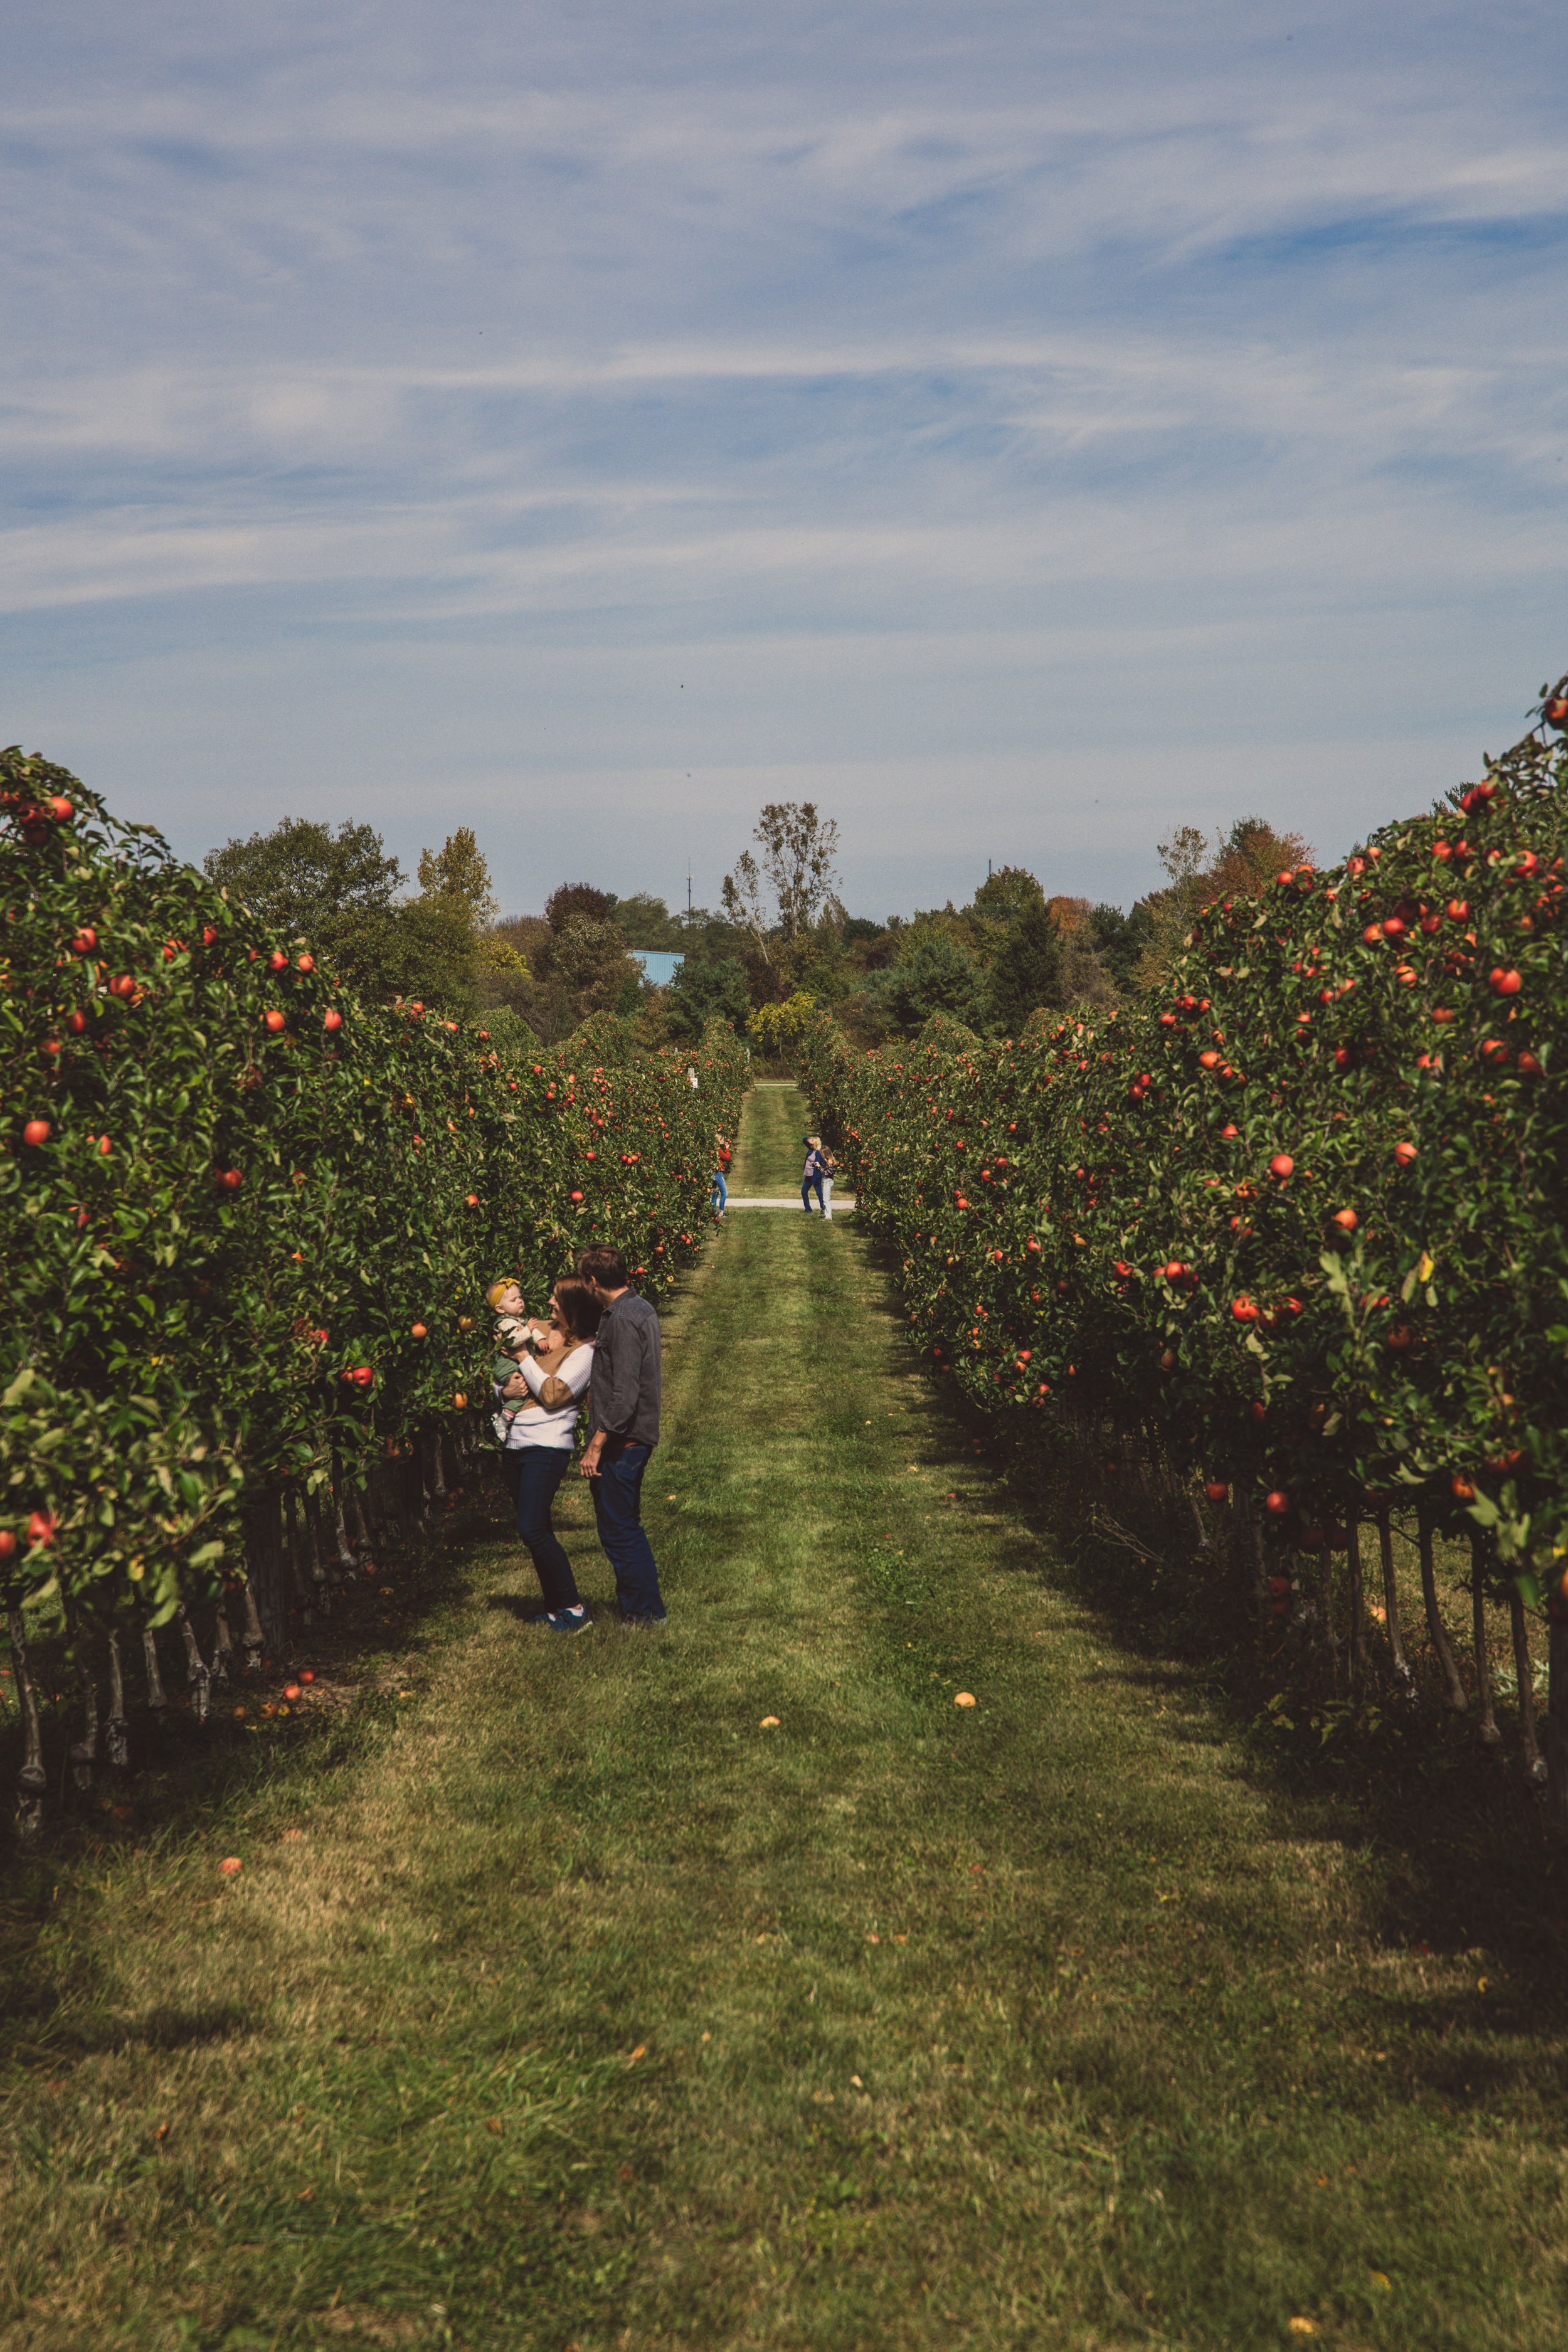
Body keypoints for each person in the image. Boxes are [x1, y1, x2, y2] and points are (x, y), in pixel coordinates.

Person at [494, 1276, 603, 1632]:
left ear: (575, 1308)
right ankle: (556, 1609)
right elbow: (505, 1377)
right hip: (515, 1443)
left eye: (557, 1299)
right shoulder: (535, 1328)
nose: (549, 1304)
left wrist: (524, 1357)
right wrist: (501, 1388)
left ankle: (574, 1606)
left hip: (548, 1445)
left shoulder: (585, 1351)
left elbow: (555, 1395)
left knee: (531, 1529)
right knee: (537, 1528)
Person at [576, 1242, 666, 1625]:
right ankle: (642, 1608)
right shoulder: (638, 1307)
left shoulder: (623, 1320)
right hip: (632, 1438)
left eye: (585, 1281)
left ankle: (644, 1614)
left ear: (593, 1281)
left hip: (623, 1441)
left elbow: (624, 1395)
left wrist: (596, 1444)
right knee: (626, 1525)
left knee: (619, 1531)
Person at [801, 1135, 825, 1215]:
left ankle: (824, 1209)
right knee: (804, 1192)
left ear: (816, 1143)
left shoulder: (819, 1153)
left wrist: (815, 1164)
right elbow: (804, 1140)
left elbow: (822, 1164)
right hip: (808, 1175)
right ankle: (808, 1210)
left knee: (819, 1193)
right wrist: (809, 1140)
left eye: (813, 1141)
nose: (811, 1143)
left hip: (815, 1175)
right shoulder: (811, 1149)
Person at [817, 1138, 838, 1221]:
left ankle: (828, 1216)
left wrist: (819, 1167)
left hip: (827, 1181)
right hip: (826, 1181)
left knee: (826, 1199)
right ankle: (826, 1214)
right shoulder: (830, 1161)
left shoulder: (830, 1162)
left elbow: (827, 1173)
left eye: (822, 1155)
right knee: (825, 1198)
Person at [712, 1131, 731, 1217]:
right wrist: (727, 1149)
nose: (724, 1140)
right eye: (722, 1139)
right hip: (719, 1173)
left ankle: (713, 1212)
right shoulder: (719, 1150)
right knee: (724, 1193)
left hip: (713, 1173)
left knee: (715, 1193)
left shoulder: (713, 1150)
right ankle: (721, 1213)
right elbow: (727, 1158)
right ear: (718, 1141)